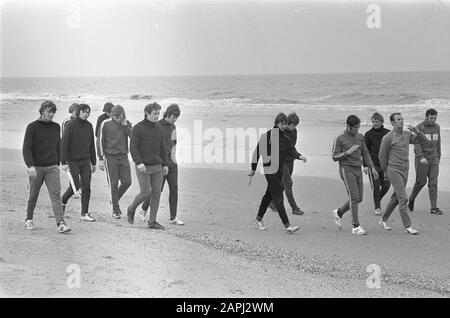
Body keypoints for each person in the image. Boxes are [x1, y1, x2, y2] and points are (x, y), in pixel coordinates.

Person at [249, 113, 306, 234]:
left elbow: (291, 150)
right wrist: (253, 169)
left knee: (269, 195)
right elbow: (257, 152)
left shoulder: (285, 137)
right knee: (279, 196)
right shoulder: (267, 136)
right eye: (282, 123)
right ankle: (287, 225)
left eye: (285, 123)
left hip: (279, 169)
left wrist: (300, 156)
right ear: (277, 123)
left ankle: (258, 219)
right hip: (269, 169)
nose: (284, 125)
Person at [22, 100, 71, 233]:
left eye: (53, 112)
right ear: (42, 111)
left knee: (55, 194)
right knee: (33, 195)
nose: (51, 114)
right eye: (49, 112)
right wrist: (30, 165)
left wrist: (63, 162)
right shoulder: (32, 127)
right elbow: (26, 148)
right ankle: (29, 219)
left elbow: (58, 146)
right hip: (36, 167)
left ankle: (60, 223)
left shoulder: (56, 127)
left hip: (51, 167)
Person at [378, 112, 427, 235]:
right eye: (398, 119)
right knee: (403, 198)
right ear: (393, 123)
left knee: (396, 198)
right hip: (393, 170)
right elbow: (382, 156)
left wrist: (416, 130)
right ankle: (408, 226)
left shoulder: (406, 134)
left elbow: (423, 139)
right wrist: (385, 172)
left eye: (402, 119)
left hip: (405, 169)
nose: (401, 121)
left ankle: (383, 219)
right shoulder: (388, 137)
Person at [331, 115, 379, 235]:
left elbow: (365, 153)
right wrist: (348, 152)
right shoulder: (339, 138)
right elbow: (334, 156)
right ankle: (355, 226)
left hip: (358, 168)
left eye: (359, 127)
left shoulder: (360, 136)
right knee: (354, 197)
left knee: (359, 198)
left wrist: (372, 167)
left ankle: (339, 213)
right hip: (346, 169)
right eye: (355, 127)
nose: (357, 129)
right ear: (348, 126)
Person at [138, 104, 184, 225]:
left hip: (172, 161)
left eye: (176, 117)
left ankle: (173, 217)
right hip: (161, 162)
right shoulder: (157, 126)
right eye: (173, 116)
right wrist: (162, 162)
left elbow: (174, 144)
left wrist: (174, 159)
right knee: (157, 190)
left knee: (174, 188)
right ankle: (143, 209)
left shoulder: (173, 126)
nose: (175, 119)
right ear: (167, 114)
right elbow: (155, 145)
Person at [127, 102, 168, 230]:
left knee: (156, 193)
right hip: (143, 166)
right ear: (147, 113)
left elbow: (163, 147)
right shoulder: (137, 128)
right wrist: (139, 162)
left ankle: (152, 222)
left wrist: (165, 164)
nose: (157, 116)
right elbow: (133, 147)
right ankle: (131, 208)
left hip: (157, 166)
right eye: (155, 113)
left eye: (158, 113)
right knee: (145, 193)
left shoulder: (158, 128)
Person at [61, 103, 97, 222]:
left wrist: (94, 162)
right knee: (75, 185)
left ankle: (84, 213)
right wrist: (63, 161)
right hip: (73, 161)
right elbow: (64, 144)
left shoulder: (89, 126)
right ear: (78, 112)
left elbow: (92, 144)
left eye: (88, 112)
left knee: (86, 186)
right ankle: (63, 200)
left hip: (86, 161)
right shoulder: (70, 125)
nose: (86, 114)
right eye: (84, 111)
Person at [97, 105, 133, 219]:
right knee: (113, 184)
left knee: (127, 182)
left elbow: (133, 136)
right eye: (117, 117)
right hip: (110, 158)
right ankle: (116, 210)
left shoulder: (126, 123)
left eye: (121, 117)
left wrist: (125, 125)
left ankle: (114, 200)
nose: (119, 119)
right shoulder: (105, 124)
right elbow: (100, 141)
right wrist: (101, 159)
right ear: (113, 115)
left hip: (123, 157)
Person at [408, 108, 443, 215]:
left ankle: (433, 207)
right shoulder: (419, 127)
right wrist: (421, 156)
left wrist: (439, 155)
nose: (433, 120)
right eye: (431, 118)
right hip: (422, 159)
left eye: (435, 118)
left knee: (433, 183)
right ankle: (412, 198)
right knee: (421, 182)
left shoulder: (437, 127)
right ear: (426, 117)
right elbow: (416, 144)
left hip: (434, 159)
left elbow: (438, 142)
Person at [364, 112, 390, 215]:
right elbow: (365, 151)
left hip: (385, 165)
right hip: (373, 165)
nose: (374, 123)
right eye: (373, 121)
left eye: (377, 121)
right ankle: (377, 207)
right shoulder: (368, 134)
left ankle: (377, 199)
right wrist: (365, 165)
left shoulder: (388, 133)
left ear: (382, 122)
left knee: (386, 186)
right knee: (376, 186)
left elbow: (392, 149)